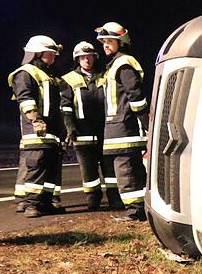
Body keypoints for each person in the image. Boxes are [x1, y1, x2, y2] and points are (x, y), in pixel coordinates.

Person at [8, 35, 66, 218]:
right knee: (36, 168)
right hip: (37, 131)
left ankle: (45, 203)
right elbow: (25, 99)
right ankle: (31, 205)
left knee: (50, 170)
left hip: (52, 132)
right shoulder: (25, 73)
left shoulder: (48, 74)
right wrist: (35, 120)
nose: (54, 56)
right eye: (51, 53)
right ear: (39, 53)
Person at [96, 22, 148, 221]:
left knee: (126, 171)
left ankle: (135, 212)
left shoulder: (124, 63)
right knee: (127, 169)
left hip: (125, 127)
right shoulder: (114, 65)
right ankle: (138, 209)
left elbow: (135, 96)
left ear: (121, 42)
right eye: (103, 42)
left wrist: (145, 121)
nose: (105, 45)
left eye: (110, 41)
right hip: (118, 127)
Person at [61, 41, 121, 210]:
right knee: (88, 171)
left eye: (89, 57)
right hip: (82, 133)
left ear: (95, 58)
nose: (87, 60)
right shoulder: (68, 80)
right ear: (77, 59)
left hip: (106, 131)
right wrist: (70, 127)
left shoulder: (105, 76)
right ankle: (93, 200)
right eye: (83, 57)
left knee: (110, 169)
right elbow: (65, 107)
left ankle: (115, 200)